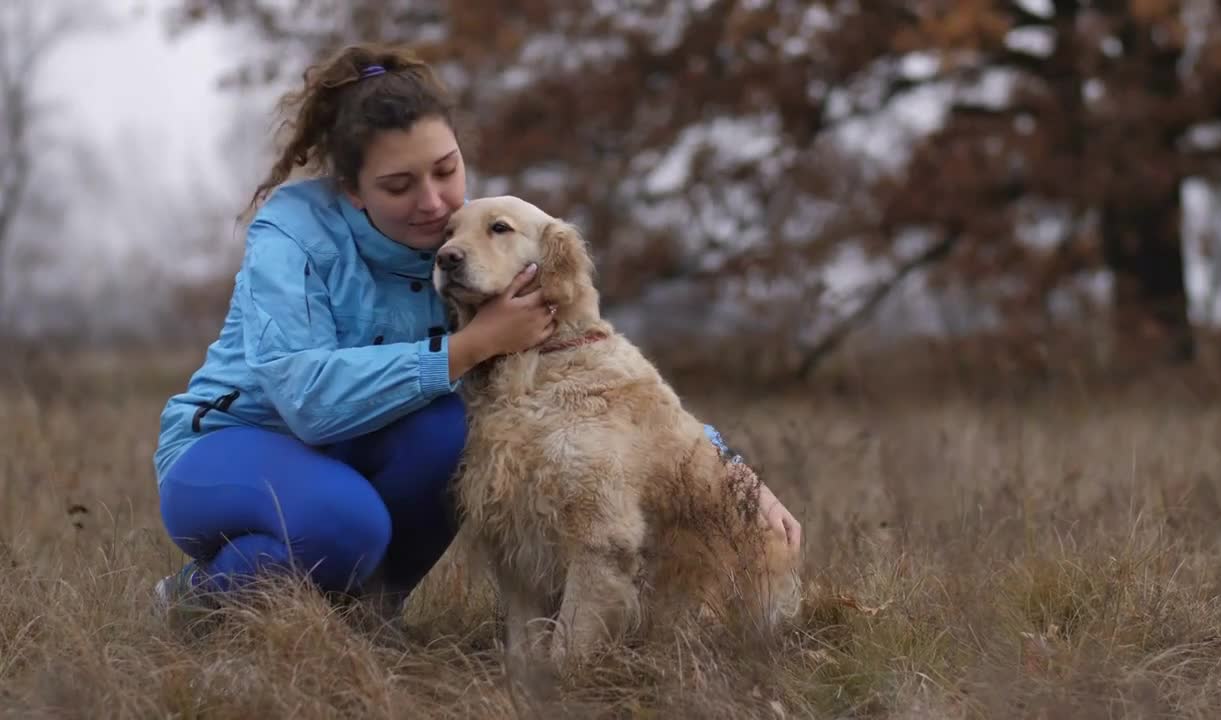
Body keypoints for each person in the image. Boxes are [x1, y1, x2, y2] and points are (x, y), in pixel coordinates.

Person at [151, 42, 802, 625]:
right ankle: (195, 593)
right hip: (232, 444)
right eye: (399, 185)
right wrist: (468, 347)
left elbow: (596, 356)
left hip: (350, 462)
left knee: (451, 431)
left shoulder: (477, 242)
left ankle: (368, 616)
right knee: (342, 524)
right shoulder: (289, 235)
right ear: (351, 190)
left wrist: (726, 468)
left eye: (446, 169)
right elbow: (306, 401)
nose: (434, 203)